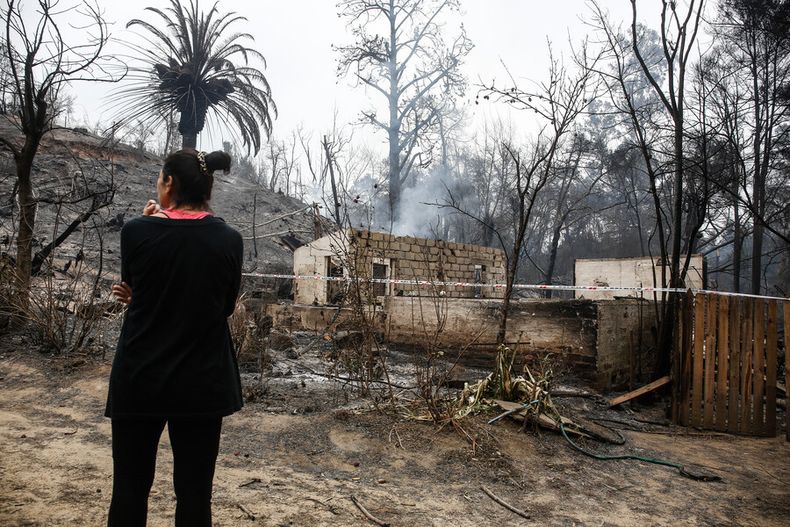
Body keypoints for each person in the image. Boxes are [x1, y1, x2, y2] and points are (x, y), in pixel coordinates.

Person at [106, 149, 244, 527]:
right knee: (195, 495)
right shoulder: (230, 240)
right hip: (202, 383)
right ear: (207, 189)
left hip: (140, 379)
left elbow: (136, 291)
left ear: (169, 183)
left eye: (159, 179)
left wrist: (149, 223)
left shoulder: (136, 231)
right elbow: (225, 307)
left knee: (130, 491)